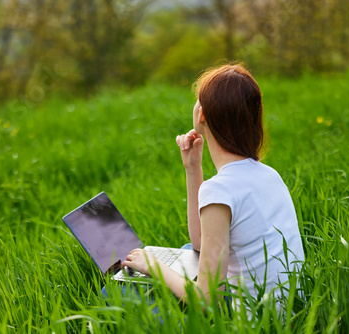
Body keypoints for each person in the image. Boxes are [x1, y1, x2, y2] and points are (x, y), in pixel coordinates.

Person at [122, 63, 305, 308]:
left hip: (251, 321)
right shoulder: (269, 174)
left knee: (120, 293)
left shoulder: (221, 189)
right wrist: (193, 169)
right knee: (190, 251)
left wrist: (154, 266)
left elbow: (207, 300)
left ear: (202, 114)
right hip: (287, 311)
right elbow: (199, 243)